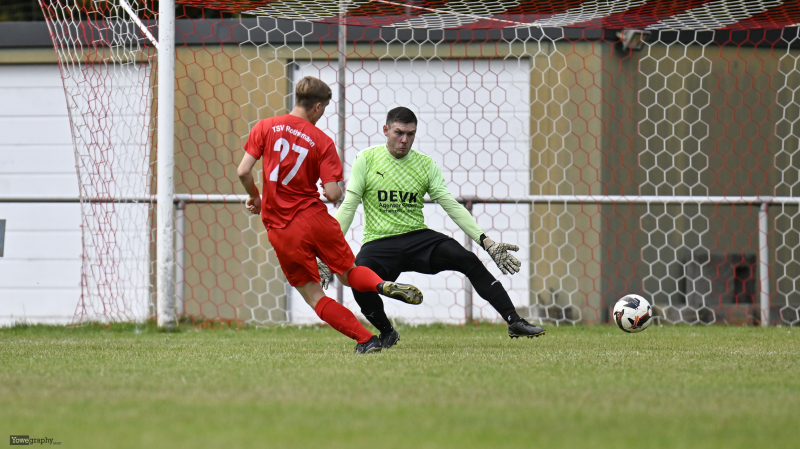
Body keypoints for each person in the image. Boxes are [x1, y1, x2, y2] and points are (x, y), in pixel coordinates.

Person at [318, 106, 546, 348]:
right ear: (385, 130)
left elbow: (451, 205)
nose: (404, 140)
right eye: (398, 133)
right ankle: (387, 332)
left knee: (467, 258)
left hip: (418, 238)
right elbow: (349, 206)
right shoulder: (366, 159)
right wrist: (326, 249)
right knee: (358, 278)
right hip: (379, 242)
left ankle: (514, 321)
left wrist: (486, 241)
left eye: (411, 134)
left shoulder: (425, 165)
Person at [237, 77, 423, 354]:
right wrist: (336, 185)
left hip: (283, 227)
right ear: (318, 106)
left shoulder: (264, 127)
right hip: (316, 219)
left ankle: (366, 339)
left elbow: (243, 171)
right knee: (349, 273)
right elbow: (334, 195)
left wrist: (255, 196)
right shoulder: (322, 141)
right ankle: (381, 284)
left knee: (314, 296)